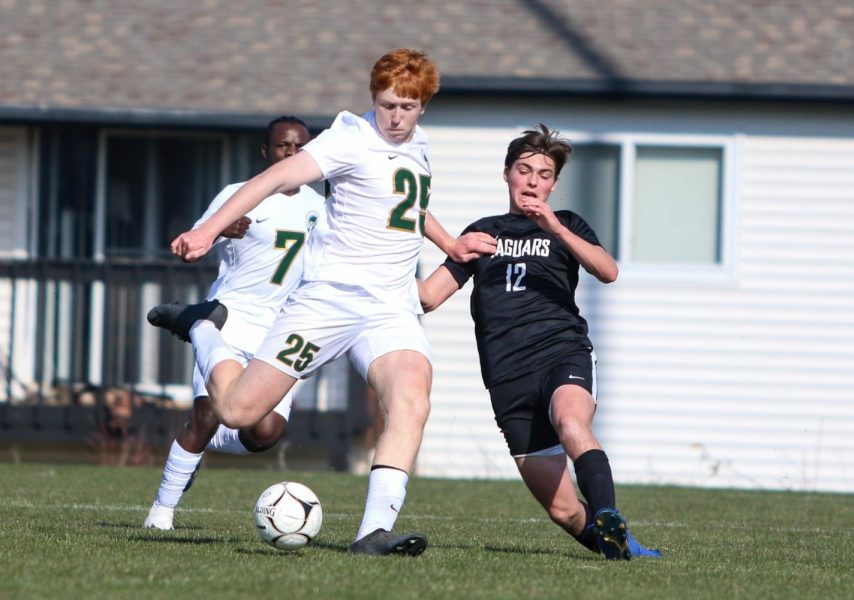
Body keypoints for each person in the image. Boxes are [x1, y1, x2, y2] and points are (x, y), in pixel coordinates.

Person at [146, 49, 496, 555]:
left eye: (408, 106)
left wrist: (451, 246)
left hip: (389, 305)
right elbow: (273, 180)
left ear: (424, 105)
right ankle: (201, 325)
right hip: (329, 301)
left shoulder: (417, 144)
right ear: (373, 99)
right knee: (240, 412)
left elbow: (409, 207)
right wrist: (208, 230)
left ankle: (372, 532)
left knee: (412, 399)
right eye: (387, 105)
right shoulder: (349, 138)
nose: (396, 117)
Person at [417, 124, 661, 560]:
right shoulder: (484, 232)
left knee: (572, 423)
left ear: (553, 183)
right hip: (508, 378)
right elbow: (428, 297)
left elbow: (608, 271)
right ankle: (623, 551)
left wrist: (557, 229)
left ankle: (609, 514)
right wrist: (400, 243)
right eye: (524, 170)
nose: (532, 181)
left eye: (544, 174)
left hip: (561, 353)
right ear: (507, 174)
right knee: (563, 511)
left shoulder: (567, 224)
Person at [144, 116, 325, 530]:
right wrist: (224, 226)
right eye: (283, 147)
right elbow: (192, 244)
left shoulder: (321, 206)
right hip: (229, 315)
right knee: (206, 415)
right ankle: (161, 513)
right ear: (267, 152)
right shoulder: (239, 195)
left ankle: (207, 441)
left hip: (280, 327)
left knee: (265, 433)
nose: (292, 154)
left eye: (300, 147)